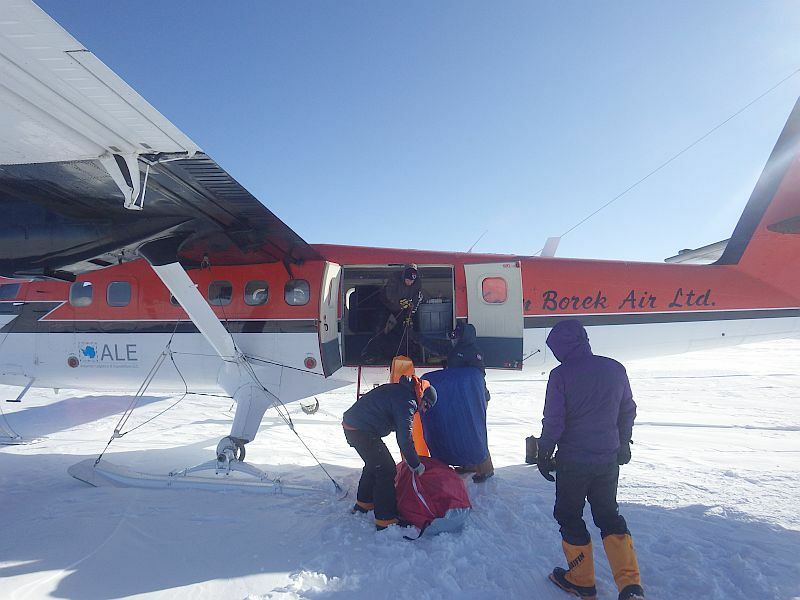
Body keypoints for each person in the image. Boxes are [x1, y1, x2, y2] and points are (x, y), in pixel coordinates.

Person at [536, 319, 644, 600]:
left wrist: (544, 452)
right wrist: (623, 442)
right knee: (609, 516)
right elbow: (627, 410)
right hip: (607, 459)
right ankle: (630, 586)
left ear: (562, 347)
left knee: (570, 516)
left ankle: (581, 581)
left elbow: (554, 420)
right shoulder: (614, 368)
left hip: (573, 462)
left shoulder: (560, 375)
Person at [342, 374, 437, 530]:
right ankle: (385, 519)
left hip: (355, 426)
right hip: (359, 430)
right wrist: (415, 464)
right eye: (426, 406)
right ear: (423, 397)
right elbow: (405, 438)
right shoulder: (407, 402)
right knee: (386, 469)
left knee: (375, 463)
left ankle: (364, 503)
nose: (424, 411)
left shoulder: (403, 392)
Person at [447, 322, 494, 482]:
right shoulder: (457, 350)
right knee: (462, 429)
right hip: (462, 397)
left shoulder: (473, 352)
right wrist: (418, 338)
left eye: (457, 335)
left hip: (475, 397)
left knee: (475, 431)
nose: (454, 337)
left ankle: (486, 468)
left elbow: (477, 376)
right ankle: (469, 464)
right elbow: (437, 347)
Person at [363, 264, 424, 363]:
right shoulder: (394, 277)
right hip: (385, 304)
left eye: (412, 281)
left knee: (405, 329)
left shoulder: (417, 283)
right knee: (379, 328)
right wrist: (400, 301)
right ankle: (373, 354)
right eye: (408, 280)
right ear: (403, 276)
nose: (410, 282)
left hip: (401, 308)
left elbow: (417, 299)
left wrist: (411, 313)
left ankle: (404, 355)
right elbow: (389, 294)